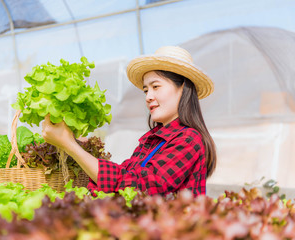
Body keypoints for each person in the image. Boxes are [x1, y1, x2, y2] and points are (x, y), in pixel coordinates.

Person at [42, 46, 217, 197]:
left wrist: (70, 146)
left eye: (156, 87)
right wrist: (78, 148)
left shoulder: (188, 139)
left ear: (183, 89)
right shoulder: (151, 139)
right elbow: (124, 175)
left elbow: (140, 188)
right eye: (145, 90)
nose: (148, 97)